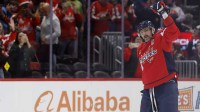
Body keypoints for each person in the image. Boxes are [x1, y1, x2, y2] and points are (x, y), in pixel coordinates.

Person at [137, 1, 180, 112]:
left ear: (152, 30)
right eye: (142, 32)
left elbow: (174, 33)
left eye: (146, 30)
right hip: (148, 91)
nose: (144, 34)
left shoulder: (160, 37)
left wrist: (163, 13)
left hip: (166, 86)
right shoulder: (140, 49)